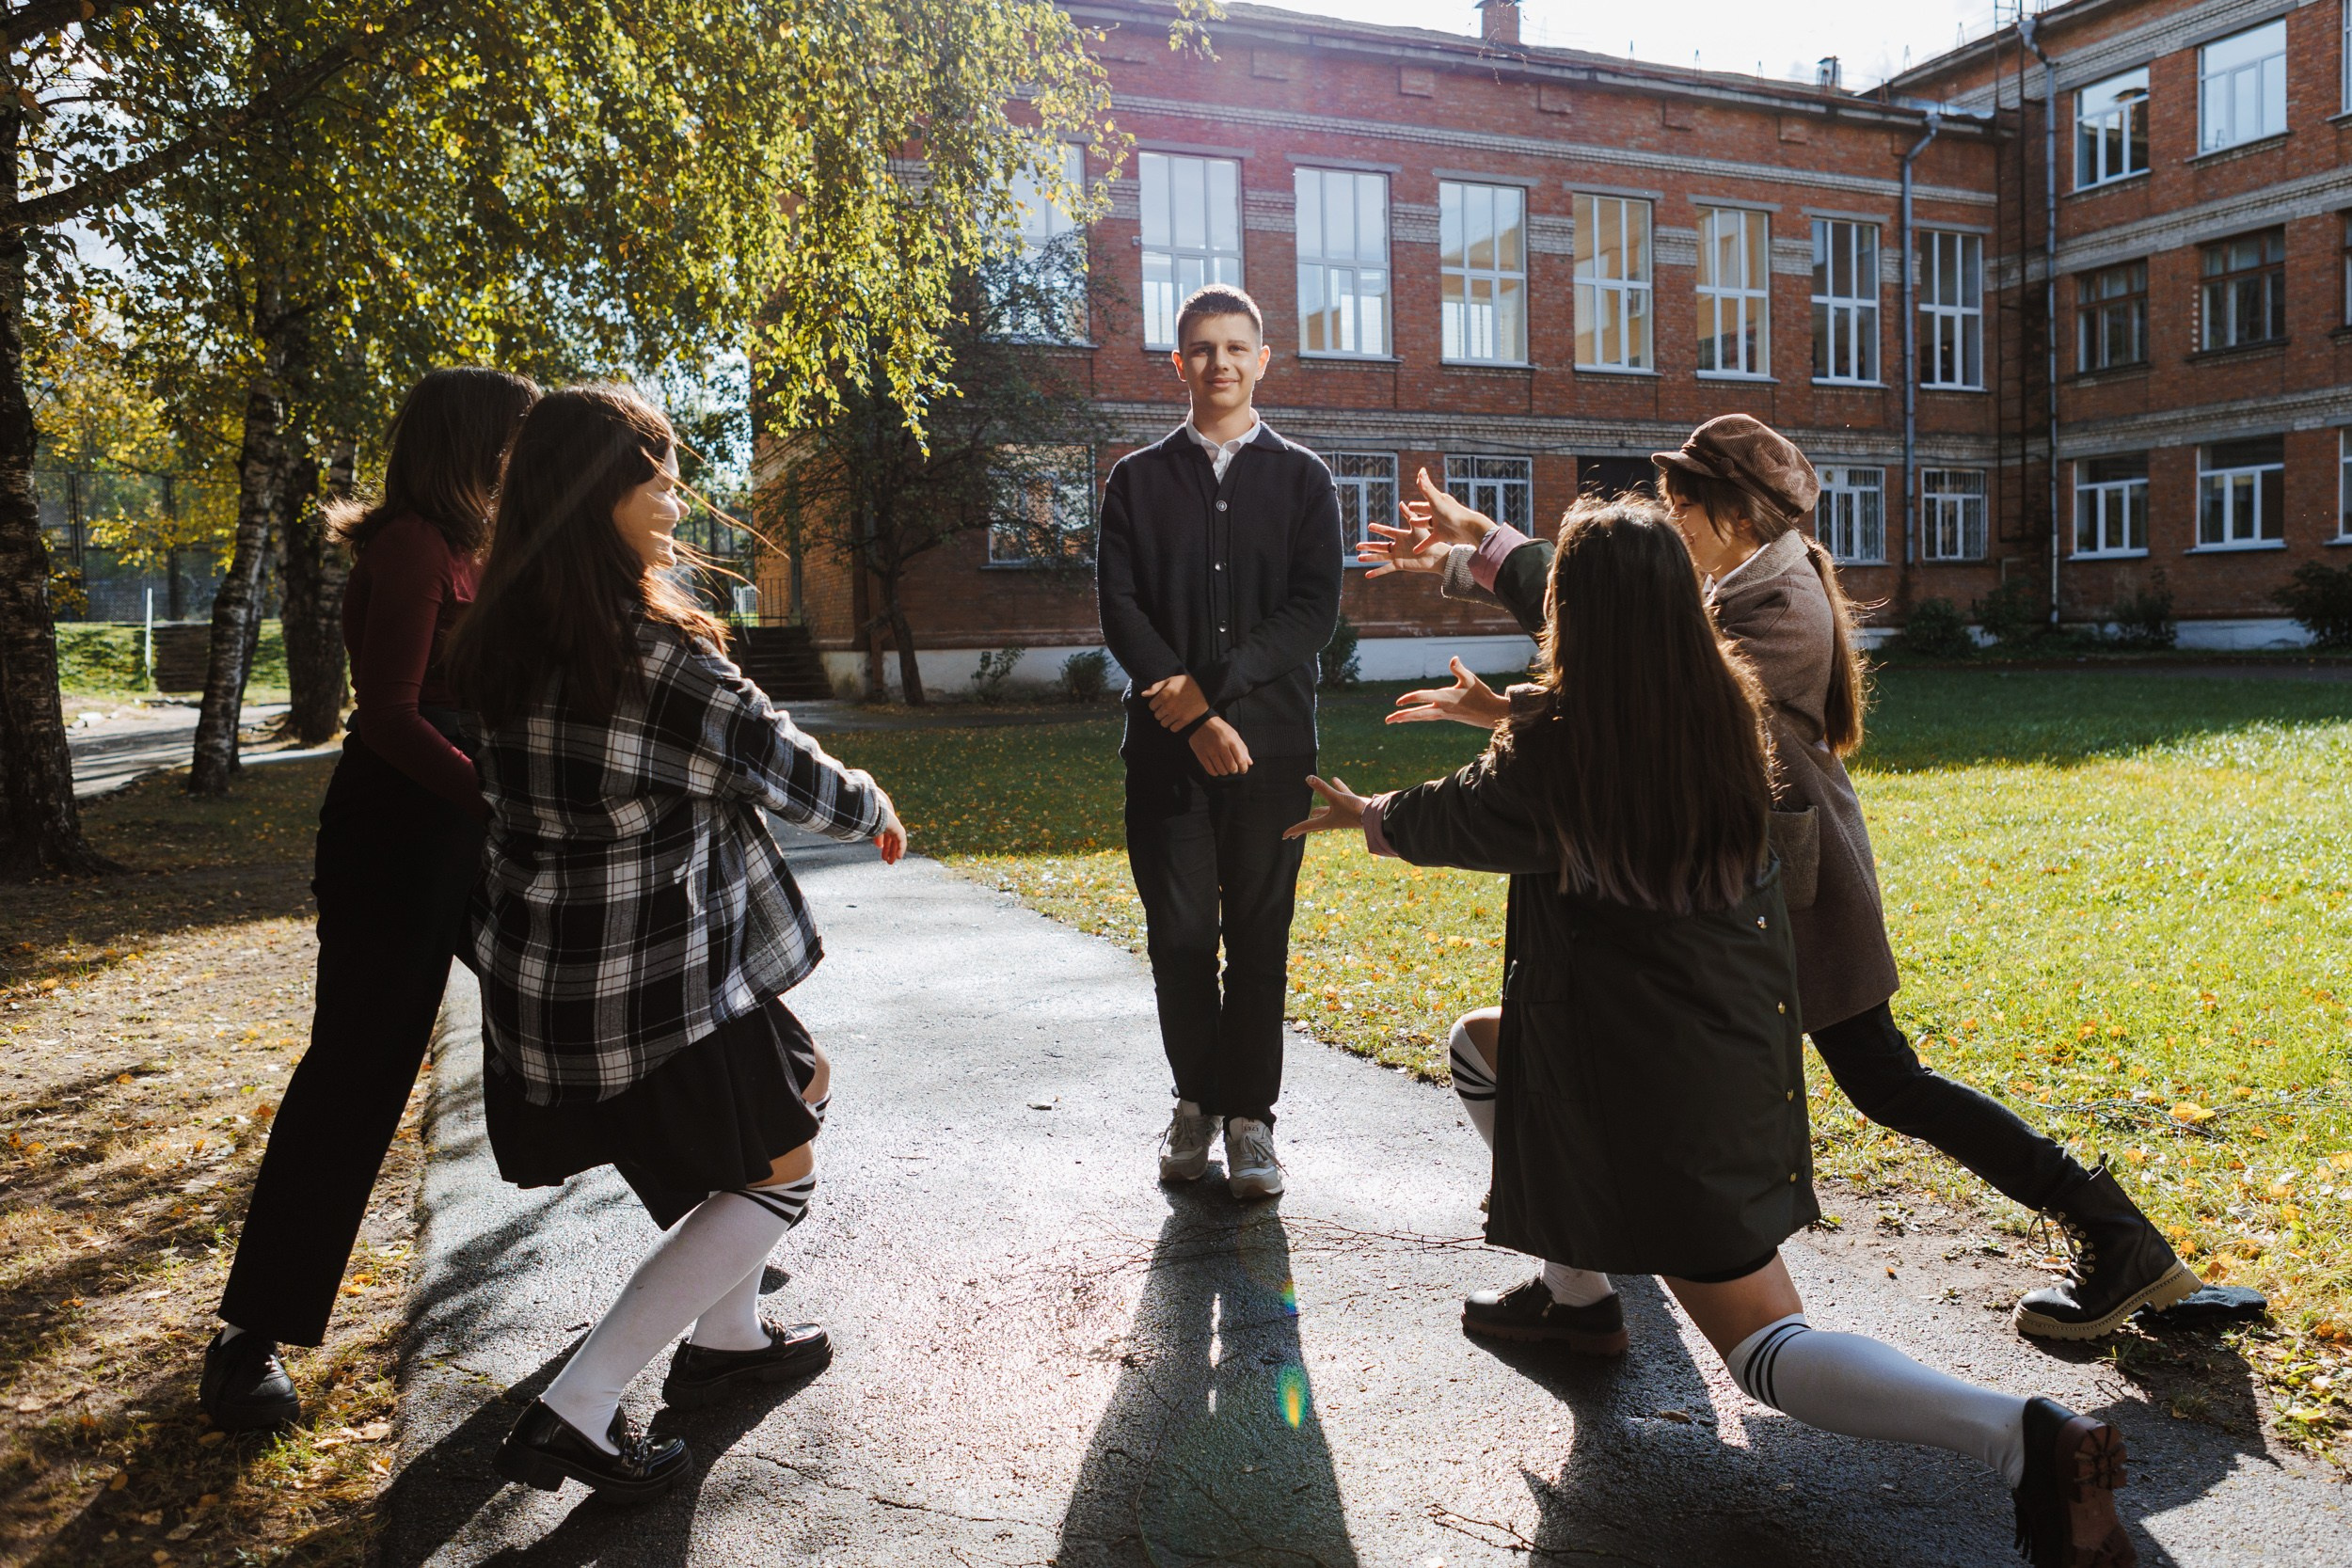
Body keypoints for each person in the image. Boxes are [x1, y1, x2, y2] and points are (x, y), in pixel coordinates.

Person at [1290, 498, 2137, 1568]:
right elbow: (1584, 726)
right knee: (1484, 1045)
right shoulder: (1721, 714)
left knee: (1766, 1352)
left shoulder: (1560, 753)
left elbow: (1449, 818)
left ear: (1573, 618)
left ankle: (2022, 1436)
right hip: (1733, 1061)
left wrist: (1361, 811)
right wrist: (1503, 694)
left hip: (1653, 1098)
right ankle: (1577, 1293)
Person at [1361, 415, 2190, 1344]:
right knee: (1687, 1067)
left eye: (1682, 507)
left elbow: (1645, 676)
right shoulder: (1753, 579)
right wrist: (1476, 553)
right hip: (1753, 890)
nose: (1668, 523)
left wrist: (1503, 645)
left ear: (1738, 517)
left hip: (1792, 900)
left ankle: (2114, 1233)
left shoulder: (1774, 610)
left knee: (1883, 1081)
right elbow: (1623, 639)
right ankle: (1581, 1276)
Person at [444, 385, 907, 1500]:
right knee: (781, 1172)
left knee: (802, 1081)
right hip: (650, 981)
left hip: (552, 974)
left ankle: (728, 1338)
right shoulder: (648, 653)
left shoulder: (499, 638)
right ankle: (580, 1405)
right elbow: (787, 766)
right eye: (651, 475)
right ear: (593, 496)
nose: (673, 496)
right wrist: (877, 809)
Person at [200, 368, 541, 1433]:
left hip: (478, 823)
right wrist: (498, 797)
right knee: (356, 1072)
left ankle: (708, 1245)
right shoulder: (410, 547)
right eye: (517, 436)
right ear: (475, 441)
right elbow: (390, 717)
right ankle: (246, 1339)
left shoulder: (488, 550)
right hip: (398, 834)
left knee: (584, 1015)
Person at [1095, 283, 1343, 1200]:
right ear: (1179, 361)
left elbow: (1313, 610)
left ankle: (1251, 1122)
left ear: (1263, 359)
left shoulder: (1304, 479)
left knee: (1260, 939)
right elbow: (1120, 608)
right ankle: (1196, 1098)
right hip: (1166, 754)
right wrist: (1192, 716)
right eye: (1202, 348)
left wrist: (1220, 690)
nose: (1221, 363)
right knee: (1181, 934)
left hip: (1274, 752)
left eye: (1237, 347)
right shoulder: (1136, 479)